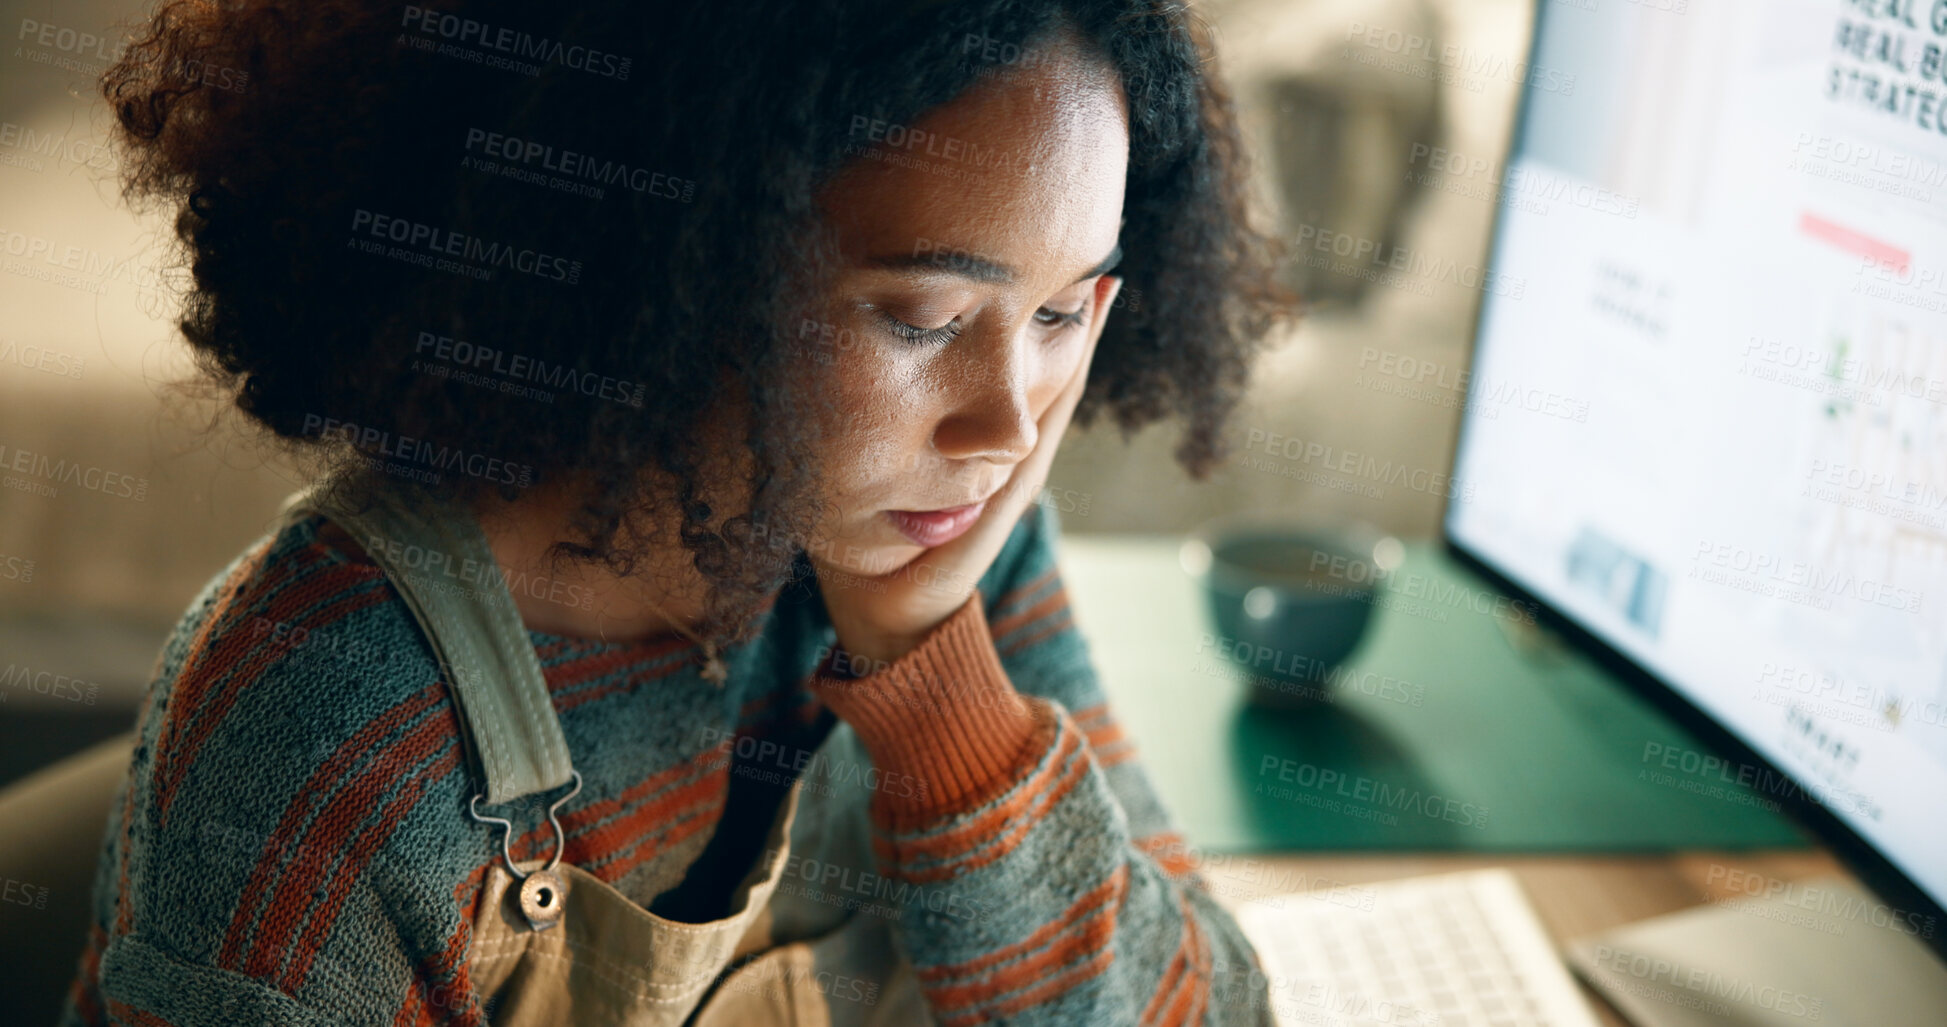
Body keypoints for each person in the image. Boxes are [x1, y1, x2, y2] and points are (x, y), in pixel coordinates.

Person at [62, 0, 1296, 1023]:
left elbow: (1210, 1008)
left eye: (1062, 314)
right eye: (920, 319)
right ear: (660, 254)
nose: (1012, 426)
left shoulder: (949, 546)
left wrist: (938, 680)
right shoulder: (333, 737)